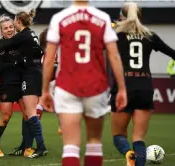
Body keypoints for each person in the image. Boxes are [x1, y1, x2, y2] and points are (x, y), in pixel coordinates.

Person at [41, 0, 127, 166]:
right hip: (96, 87)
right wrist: (122, 88)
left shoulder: (59, 18)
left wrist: (45, 90)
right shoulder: (102, 18)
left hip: (67, 87)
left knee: (70, 145)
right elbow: (114, 56)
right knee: (94, 141)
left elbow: (49, 59)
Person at [110, 2, 175, 166]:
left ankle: (128, 153)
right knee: (138, 138)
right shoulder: (150, 35)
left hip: (123, 88)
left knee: (119, 135)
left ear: (121, 17)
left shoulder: (116, 35)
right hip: (145, 87)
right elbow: (172, 53)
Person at [0, 9, 47, 158]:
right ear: (1, 31)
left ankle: (27, 147)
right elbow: (0, 67)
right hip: (8, 84)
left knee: (28, 115)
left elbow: (34, 53)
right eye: (6, 28)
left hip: (23, 82)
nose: (9, 29)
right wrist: (16, 62)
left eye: (11, 27)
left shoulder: (20, 40)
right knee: (6, 117)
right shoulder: (1, 45)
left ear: (15, 26)